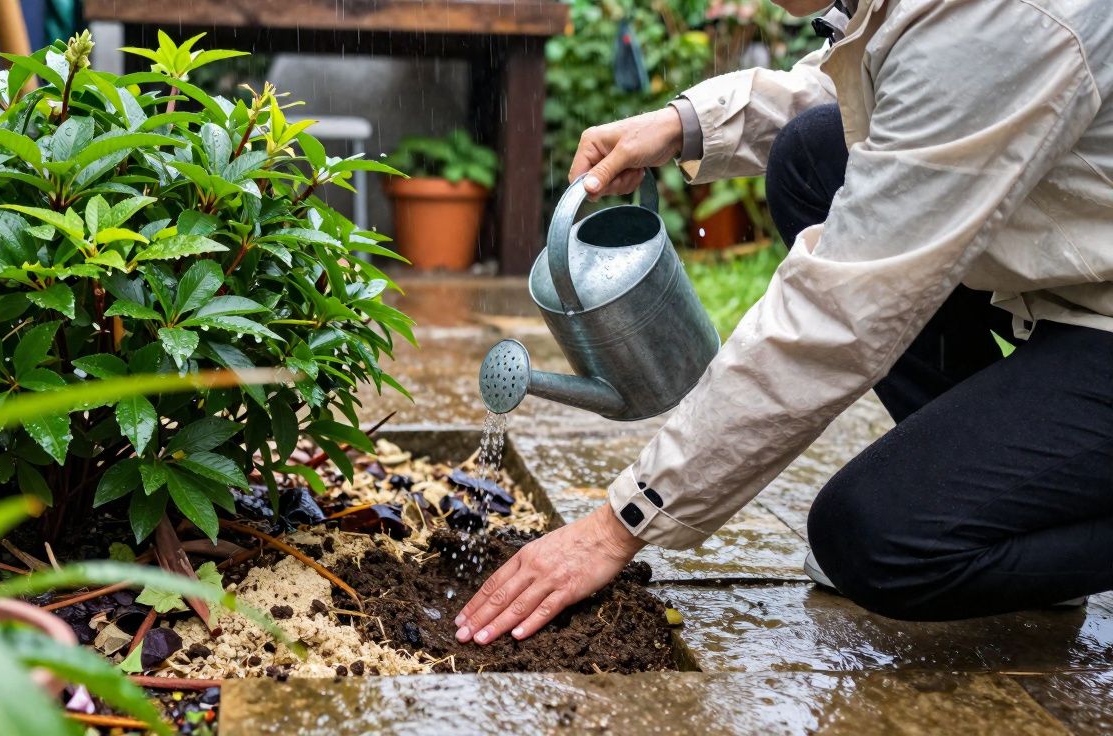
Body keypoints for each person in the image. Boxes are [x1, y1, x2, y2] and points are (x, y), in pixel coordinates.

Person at [454, 0, 1113, 646]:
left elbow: (838, 312)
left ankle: (1011, 522)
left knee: (873, 539)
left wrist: (620, 523)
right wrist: (683, 125)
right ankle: (1019, 515)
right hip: (1074, 278)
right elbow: (864, 90)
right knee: (813, 157)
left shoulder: (999, 21)